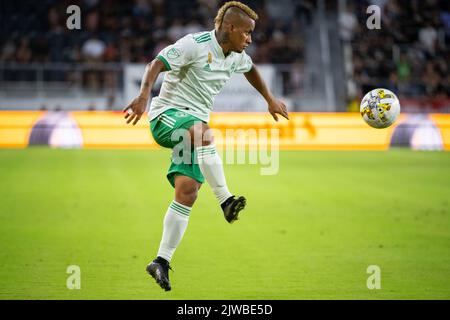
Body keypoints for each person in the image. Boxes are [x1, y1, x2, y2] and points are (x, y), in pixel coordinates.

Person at [123, 1, 289, 292]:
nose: (250, 39)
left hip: (190, 132)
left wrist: (269, 99)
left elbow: (251, 70)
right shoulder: (194, 45)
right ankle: (226, 200)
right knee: (204, 133)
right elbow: (156, 63)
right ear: (230, 27)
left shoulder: (236, 56)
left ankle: (161, 260)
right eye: (247, 33)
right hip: (167, 117)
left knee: (187, 191)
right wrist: (143, 97)